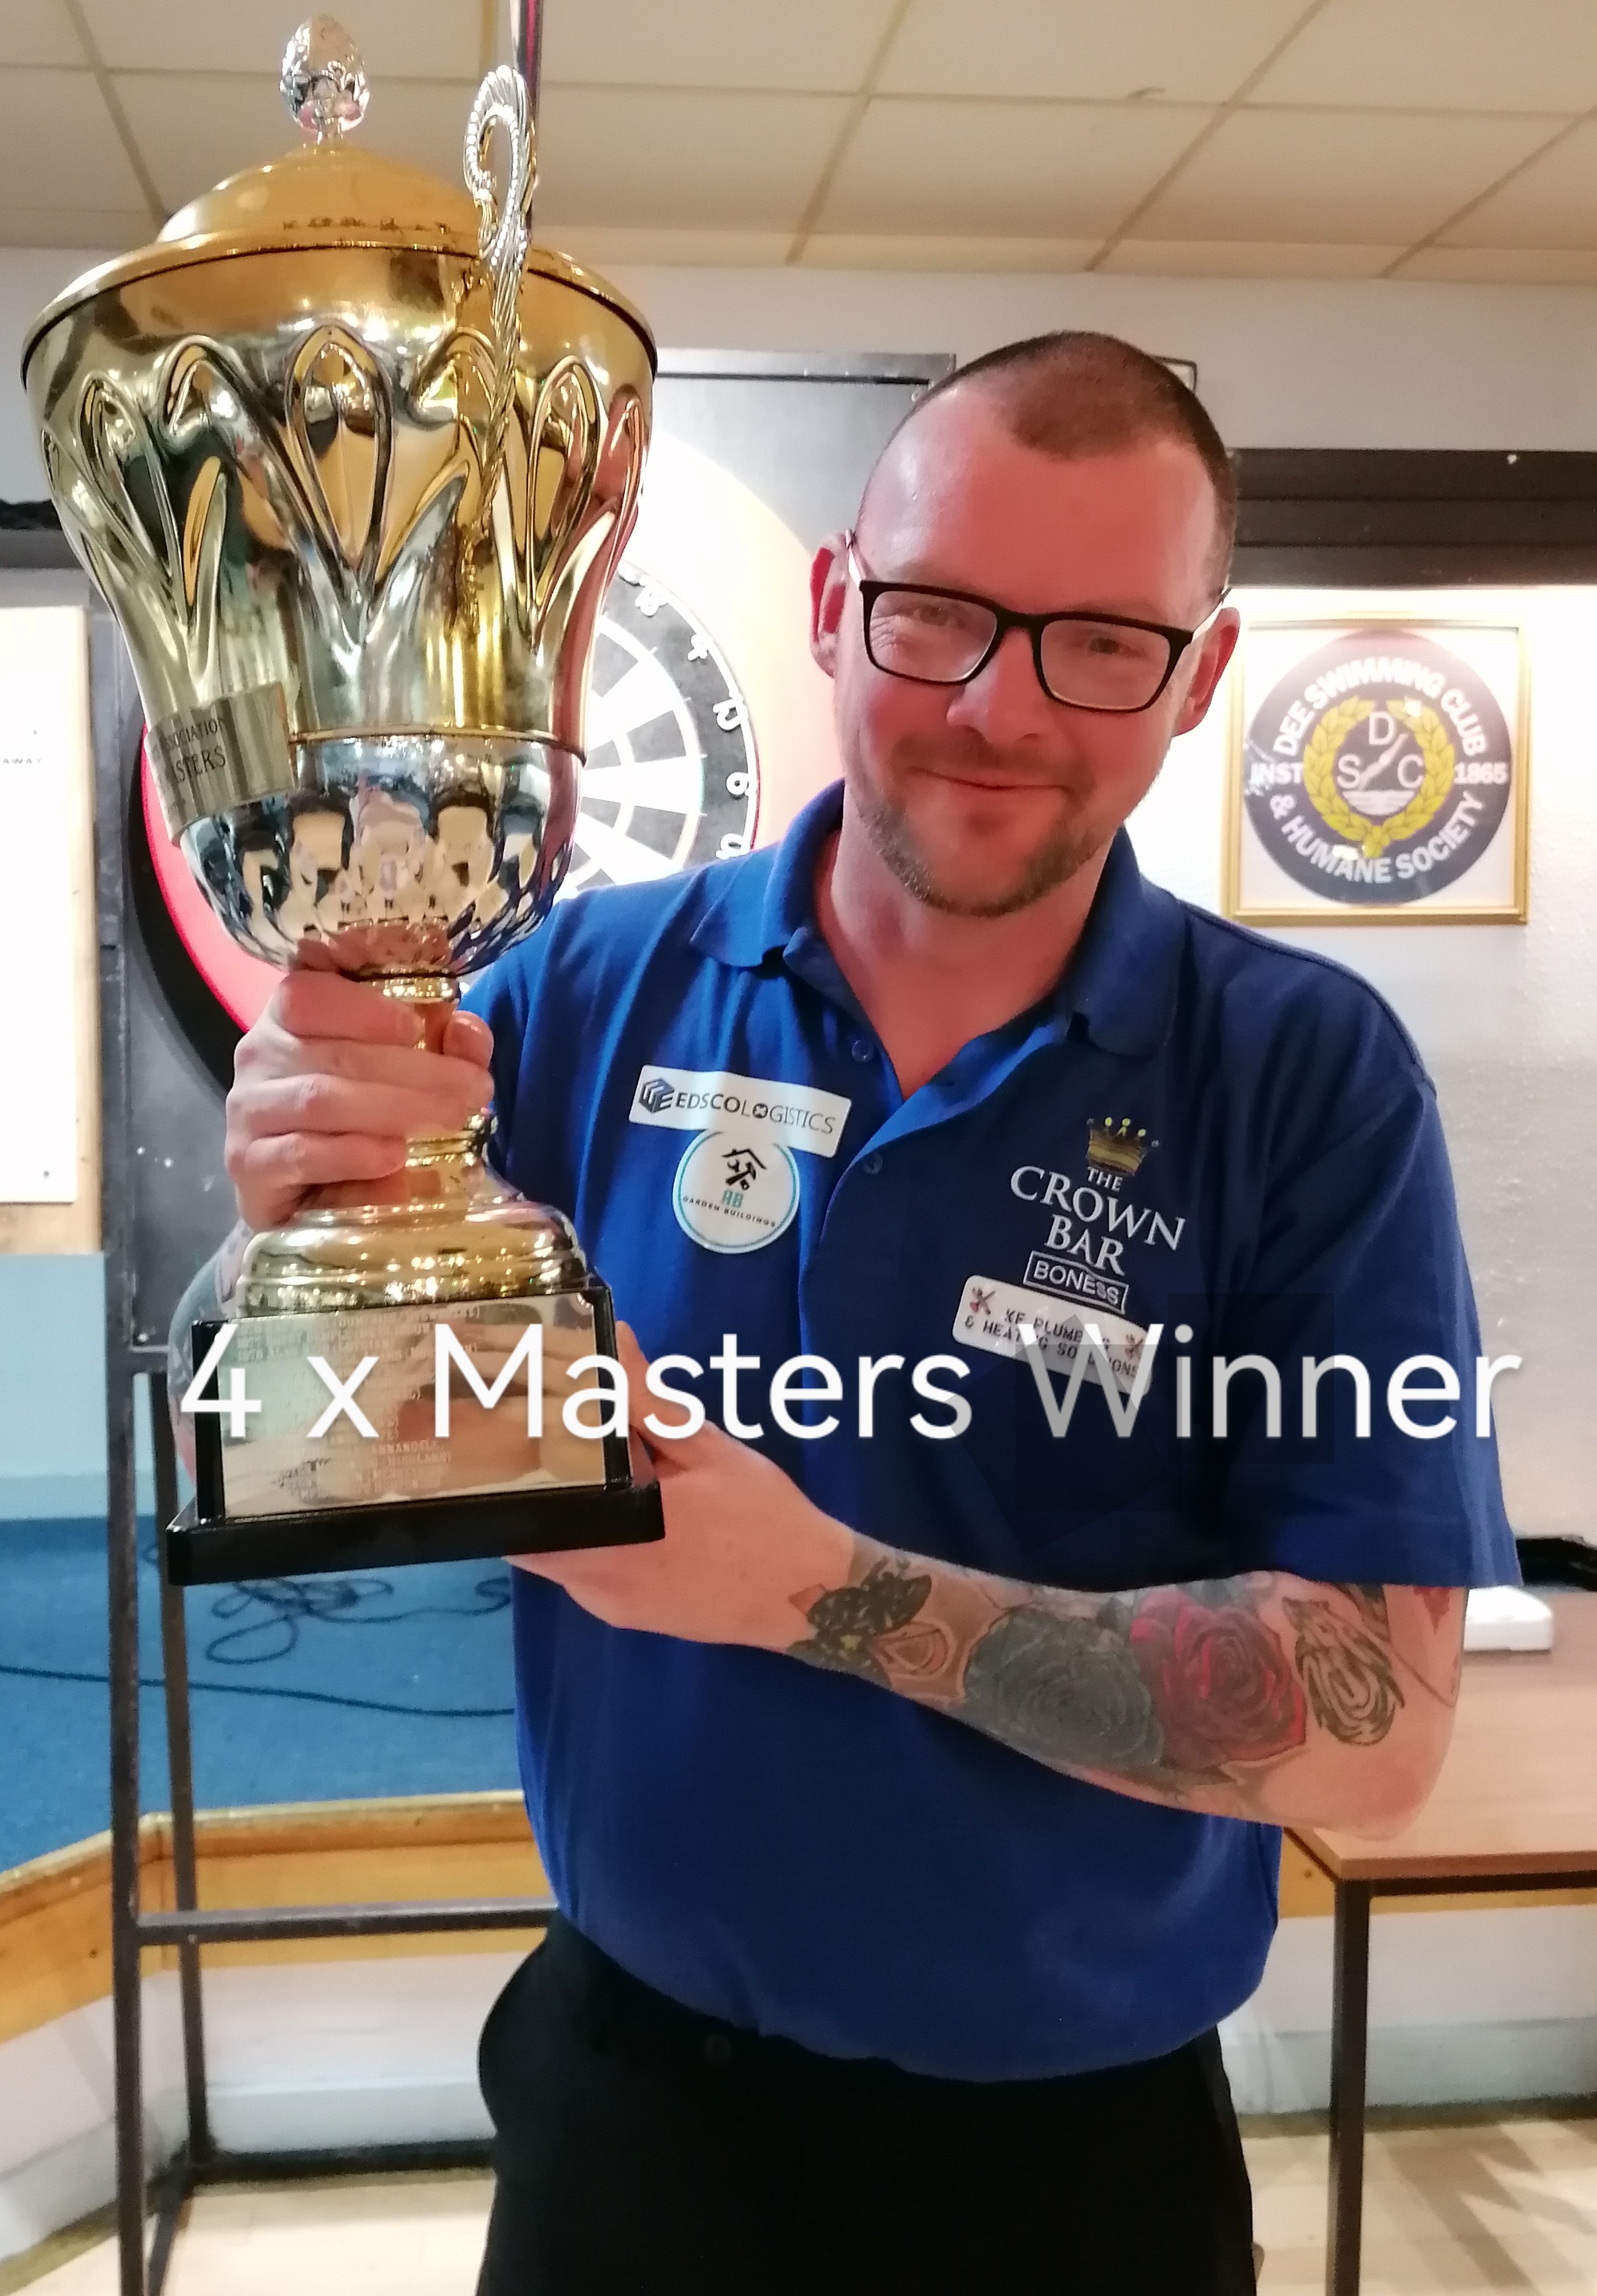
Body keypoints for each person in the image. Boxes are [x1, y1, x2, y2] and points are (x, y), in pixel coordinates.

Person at [178, 332, 1515, 2295]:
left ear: (1203, 671)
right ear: (832, 604)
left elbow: (1376, 1733)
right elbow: (320, 1431)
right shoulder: (576, 991)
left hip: (1073, 2169)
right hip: (627, 2109)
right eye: (938, 612)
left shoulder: (1306, 1077)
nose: (998, 706)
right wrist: (288, 1226)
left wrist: (809, 1588)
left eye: (1102, 642)